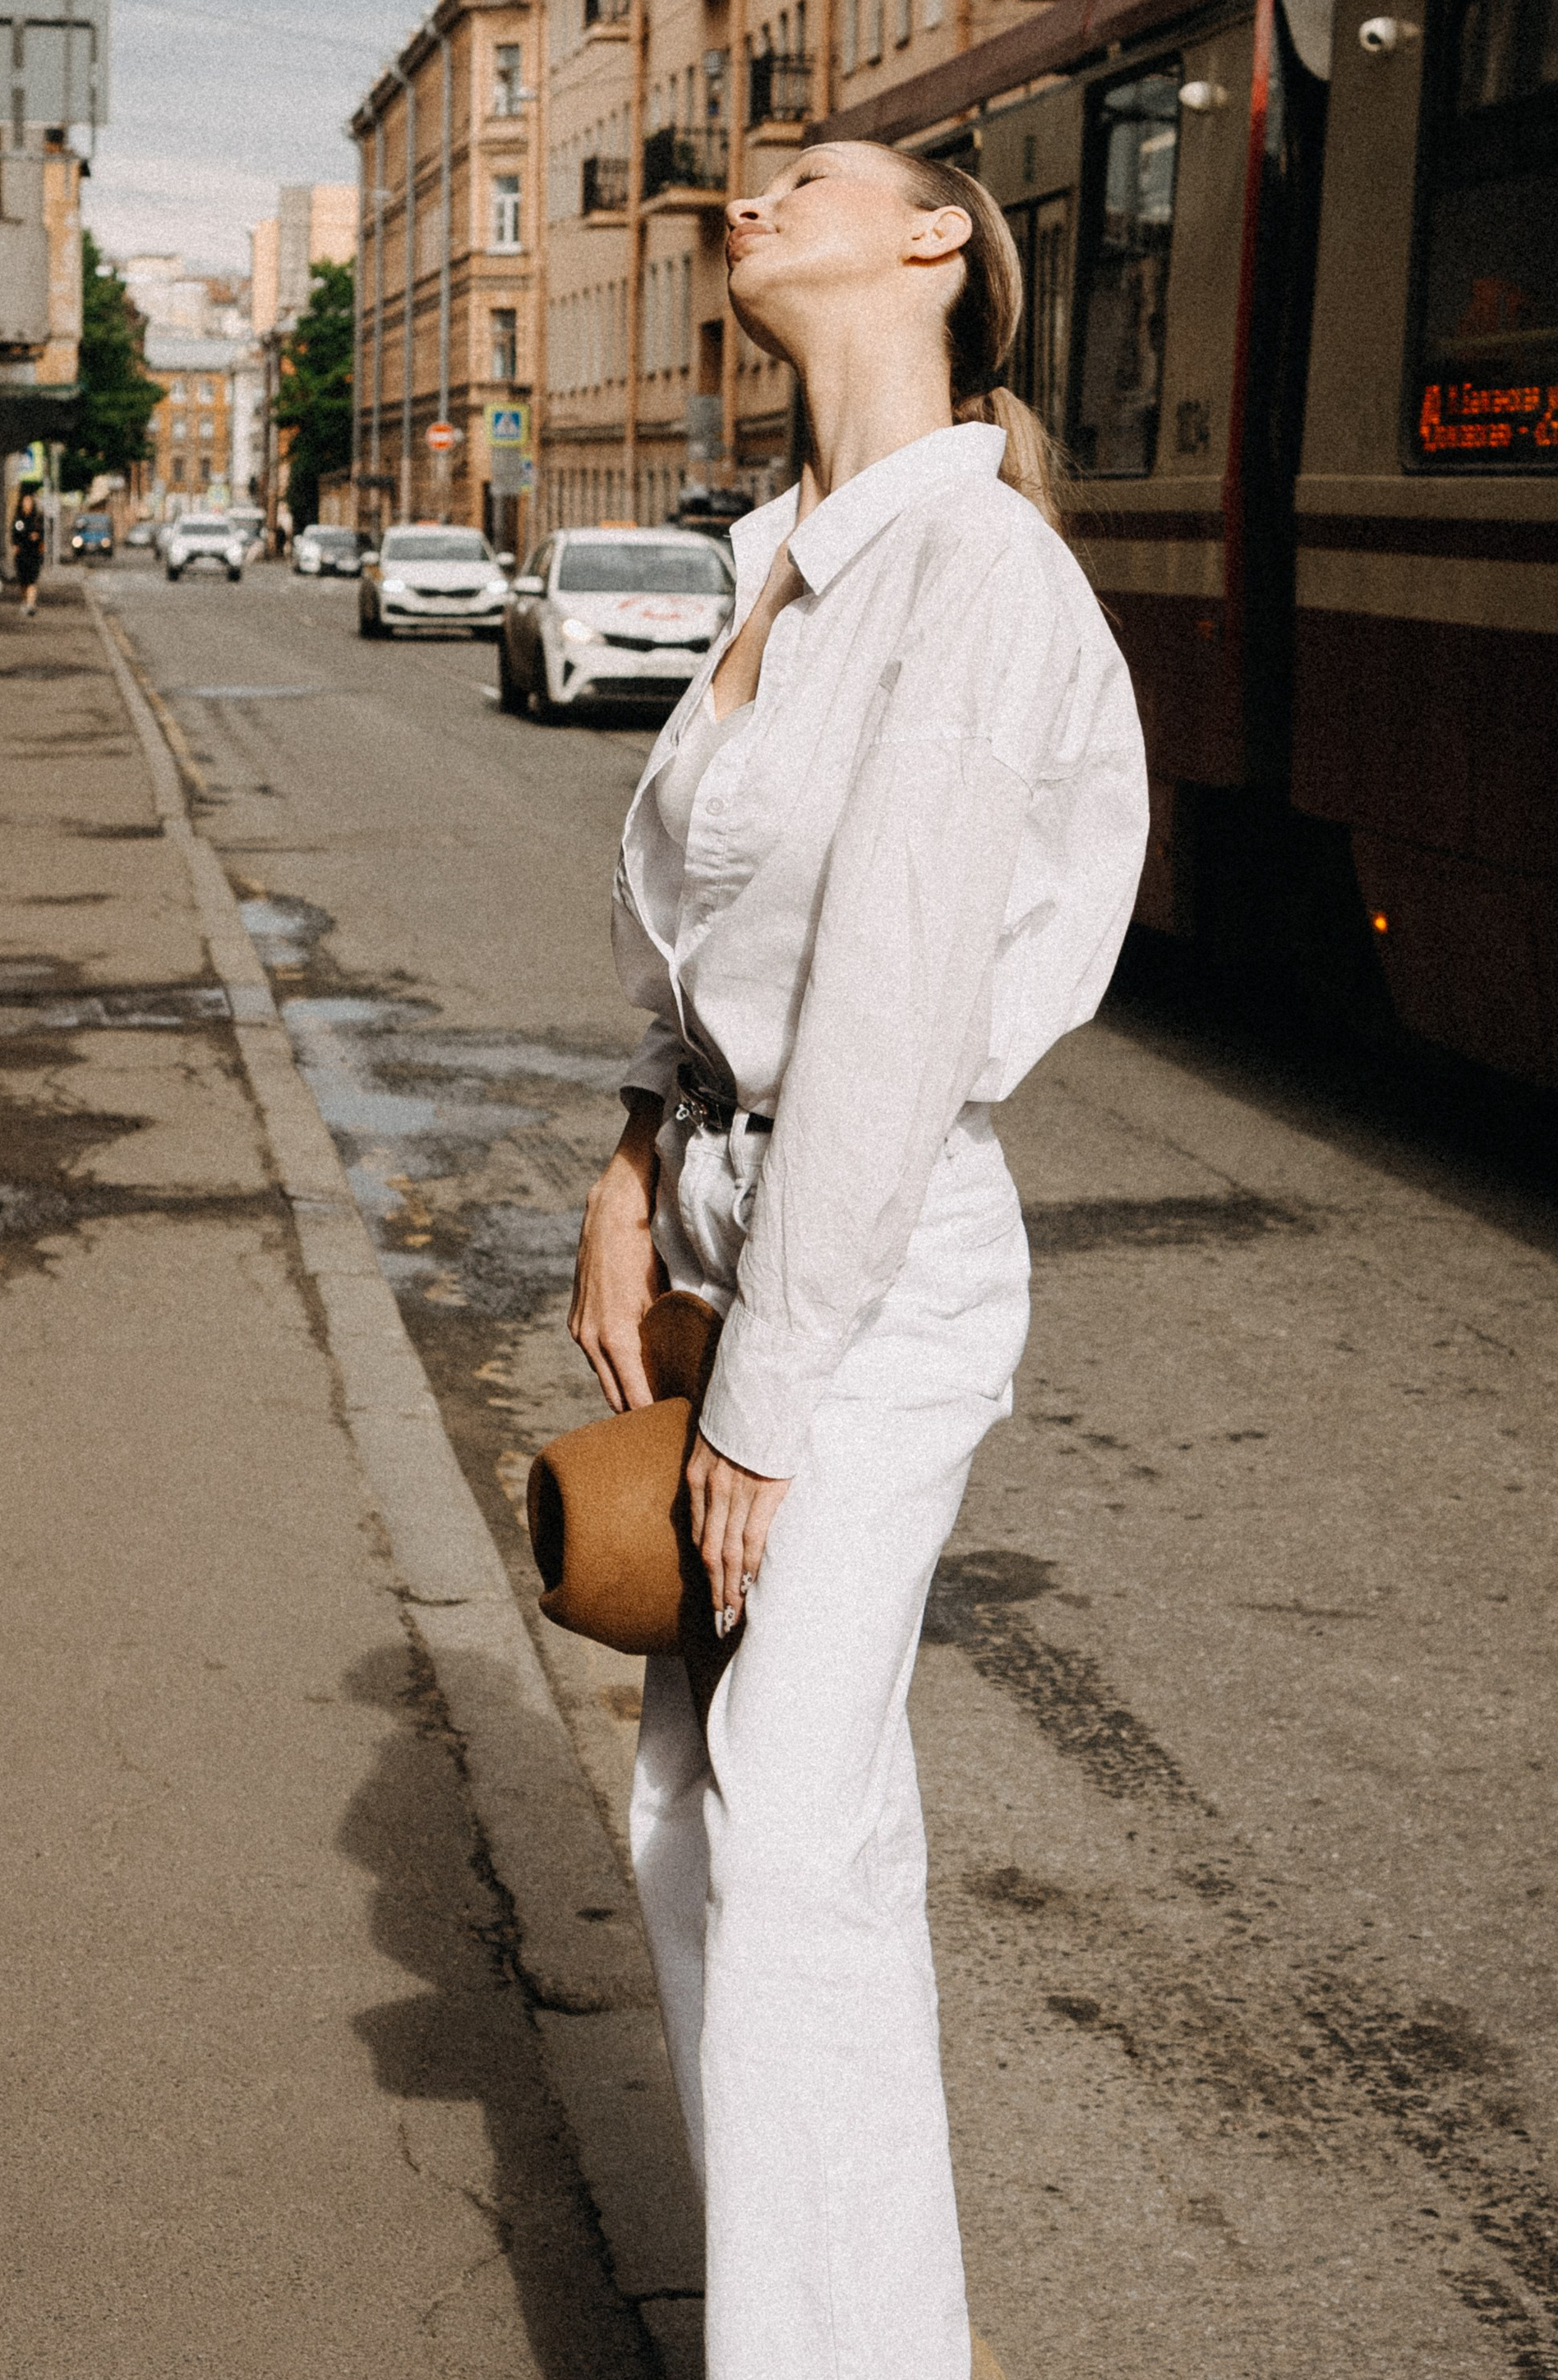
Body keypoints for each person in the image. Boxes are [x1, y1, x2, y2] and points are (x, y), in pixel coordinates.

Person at [568, 141, 1147, 2380]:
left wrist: (777, 1386)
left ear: (937, 250)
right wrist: (633, 1164)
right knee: (686, 1810)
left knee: (789, 1828)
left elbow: (896, 996)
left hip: (874, 1263)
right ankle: (836, 2322)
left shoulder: (975, 572)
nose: (750, 195)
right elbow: (715, 928)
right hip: (741, 1207)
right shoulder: (777, 560)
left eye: (808, 175)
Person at [9, 486, 44, 615]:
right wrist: (15, 547)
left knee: (32, 581)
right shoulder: (18, 519)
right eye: (25, 501)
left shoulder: (37, 519)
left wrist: (38, 540)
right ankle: (25, 602)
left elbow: (42, 536)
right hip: (22, 554)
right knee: (23, 581)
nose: (27, 504)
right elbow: (14, 536)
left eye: (29, 502)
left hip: (33, 554)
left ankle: (30, 604)